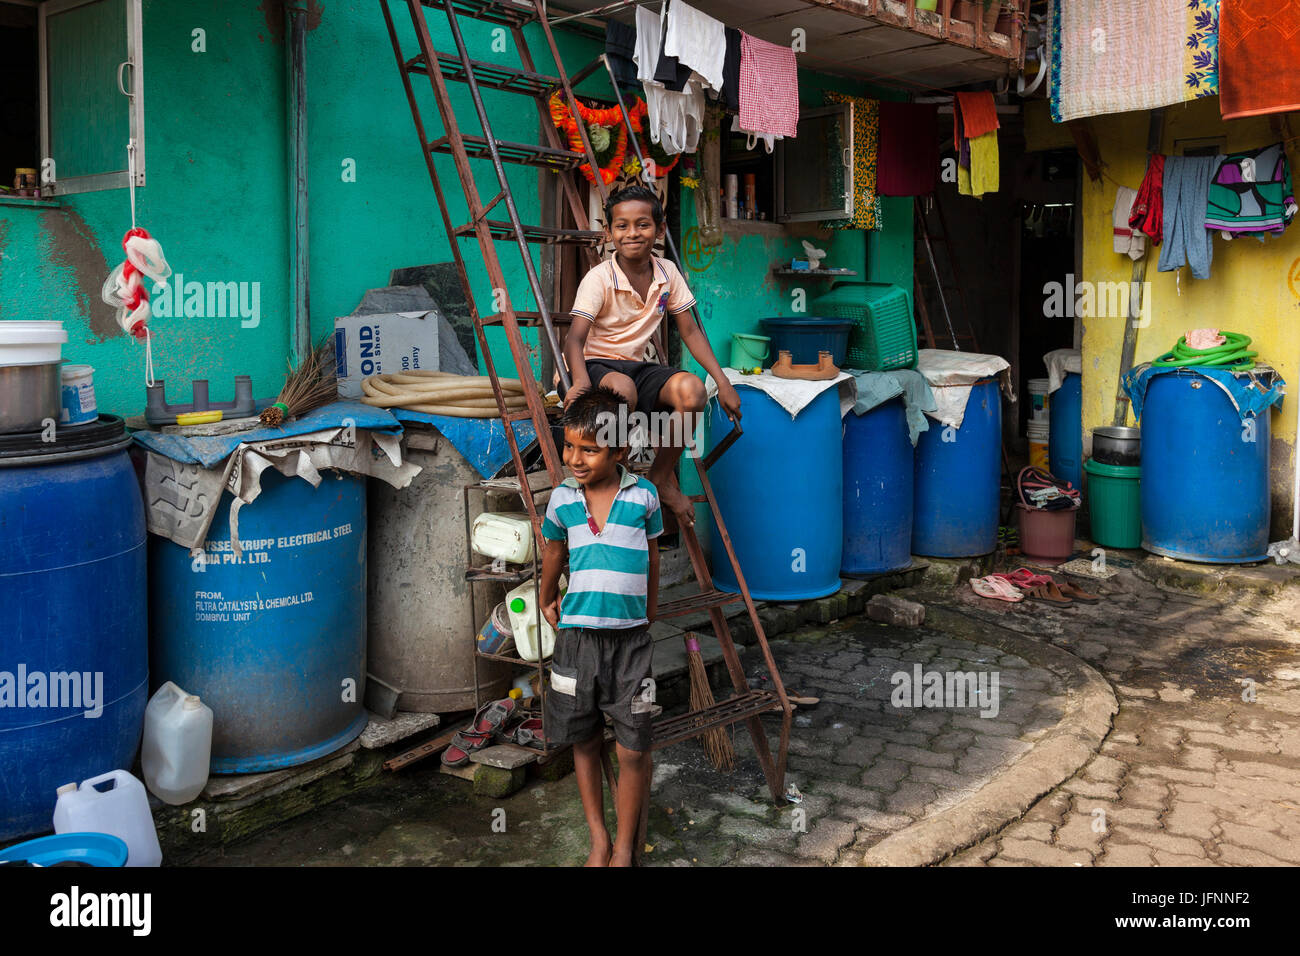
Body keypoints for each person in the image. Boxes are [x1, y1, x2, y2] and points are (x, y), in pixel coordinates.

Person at [564, 184, 741, 530]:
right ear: (609, 232)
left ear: (660, 230)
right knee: (623, 391)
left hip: (636, 366)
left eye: (642, 225)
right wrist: (581, 382)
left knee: (692, 391)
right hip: (594, 364)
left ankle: (660, 477)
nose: (632, 233)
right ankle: (616, 478)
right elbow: (574, 339)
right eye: (622, 226)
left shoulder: (667, 273)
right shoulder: (599, 278)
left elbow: (690, 332)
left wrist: (723, 382)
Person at [539, 385, 662, 867]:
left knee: (634, 746)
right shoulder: (562, 500)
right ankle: (599, 840)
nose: (575, 458)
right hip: (575, 643)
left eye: (589, 449)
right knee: (583, 739)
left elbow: (652, 554)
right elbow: (553, 551)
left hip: (633, 646)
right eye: (569, 446)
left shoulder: (645, 497)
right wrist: (548, 596)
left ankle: (626, 845)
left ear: (621, 450)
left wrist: (650, 608)